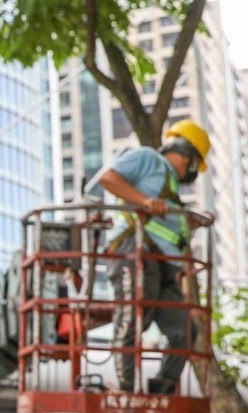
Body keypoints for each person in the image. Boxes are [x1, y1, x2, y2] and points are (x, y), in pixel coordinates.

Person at [87, 119, 213, 395]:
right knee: (132, 319)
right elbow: (108, 178)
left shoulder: (169, 188)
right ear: (183, 151)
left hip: (164, 266)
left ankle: (162, 389)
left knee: (184, 331)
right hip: (135, 252)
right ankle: (125, 388)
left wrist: (189, 224)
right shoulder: (148, 159)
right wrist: (144, 202)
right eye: (192, 165)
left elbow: (162, 227)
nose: (190, 173)